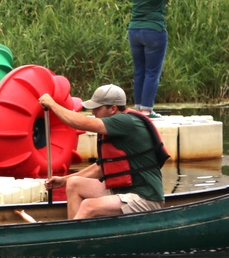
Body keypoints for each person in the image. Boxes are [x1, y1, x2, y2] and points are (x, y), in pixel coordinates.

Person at [39, 84, 167, 220]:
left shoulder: (126, 122)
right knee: (74, 184)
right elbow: (101, 168)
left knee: (88, 206)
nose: (93, 113)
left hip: (145, 198)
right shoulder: (112, 128)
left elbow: (80, 122)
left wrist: (52, 105)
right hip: (122, 191)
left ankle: (74, 237)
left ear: (113, 109)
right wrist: (63, 180)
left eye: (97, 108)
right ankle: (78, 231)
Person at [128, 0, 194, 118]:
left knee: (139, 71)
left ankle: (138, 108)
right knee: (152, 72)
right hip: (154, 31)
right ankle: (147, 110)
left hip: (134, 31)